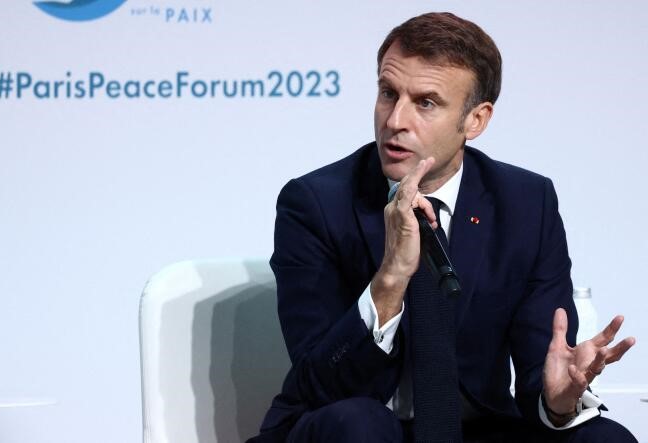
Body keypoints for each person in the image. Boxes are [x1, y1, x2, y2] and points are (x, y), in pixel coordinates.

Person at [249, 12, 636, 443]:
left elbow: (538, 372)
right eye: (387, 93)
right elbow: (318, 383)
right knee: (362, 425)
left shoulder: (526, 203)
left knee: (605, 438)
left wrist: (557, 401)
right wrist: (390, 278)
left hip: (477, 426)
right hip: (349, 424)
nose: (395, 120)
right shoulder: (316, 203)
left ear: (476, 120)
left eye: (425, 102)